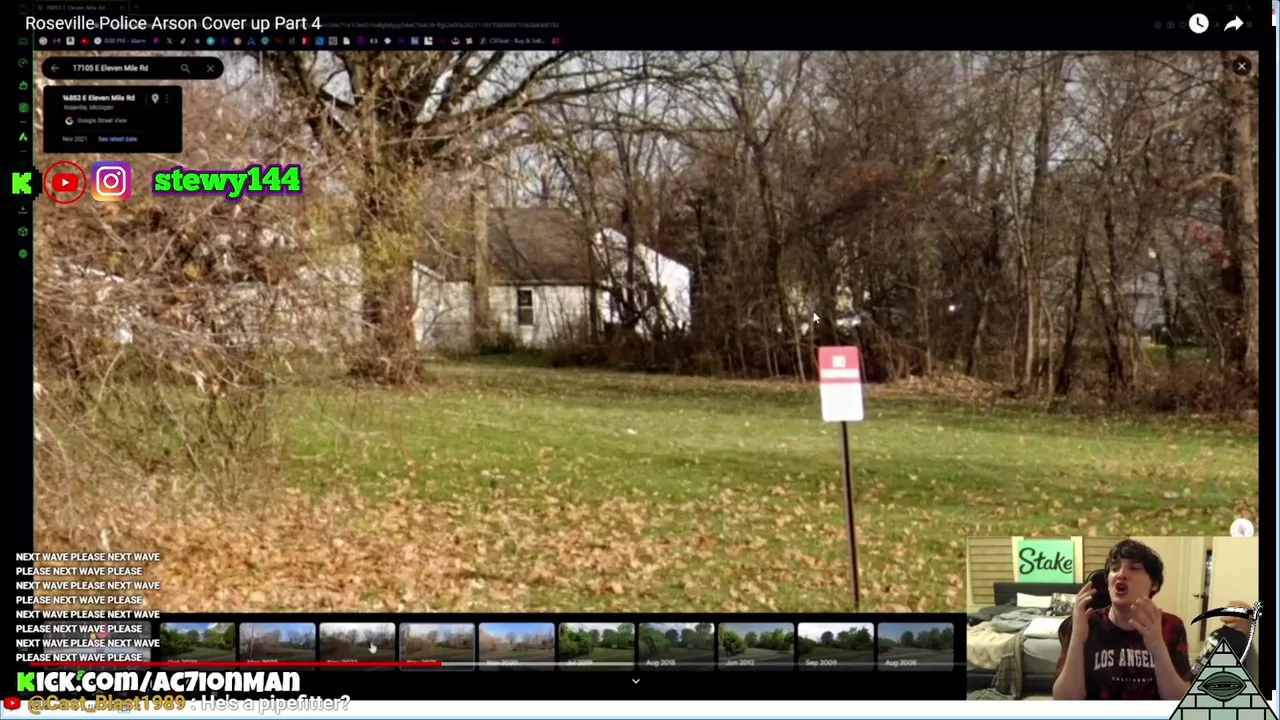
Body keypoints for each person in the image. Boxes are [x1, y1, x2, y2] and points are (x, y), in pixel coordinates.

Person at [1052, 539, 1193, 700]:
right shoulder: (1085, 623)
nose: (1121, 574)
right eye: (1114, 568)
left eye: (1134, 568)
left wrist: (1158, 647)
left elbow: (1179, 700)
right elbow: (1064, 701)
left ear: (1154, 583)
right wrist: (1078, 638)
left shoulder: (1171, 626)